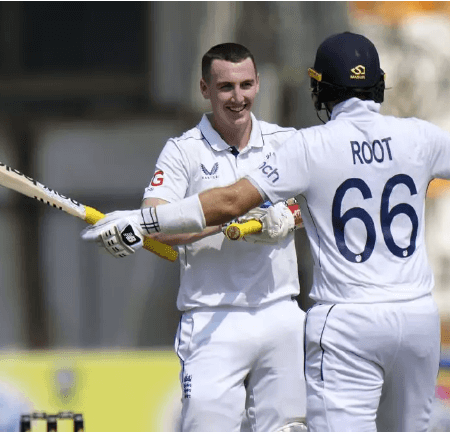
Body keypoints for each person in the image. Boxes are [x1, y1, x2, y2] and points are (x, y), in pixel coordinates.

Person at [82, 32, 450, 431]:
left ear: (320, 91)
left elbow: (227, 203)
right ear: (380, 85)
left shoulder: (306, 145)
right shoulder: (418, 136)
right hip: (418, 318)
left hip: (347, 322)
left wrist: (144, 220)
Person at [91, 43, 306, 431]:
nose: (237, 98)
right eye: (226, 87)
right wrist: (231, 216)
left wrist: (289, 216)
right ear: (205, 89)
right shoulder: (182, 151)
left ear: (257, 85)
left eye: (245, 85)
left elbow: (322, 204)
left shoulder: (285, 141)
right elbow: (157, 219)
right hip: (212, 318)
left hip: (280, 311)